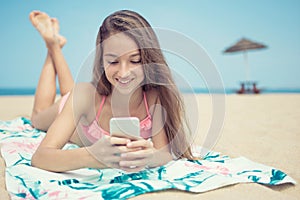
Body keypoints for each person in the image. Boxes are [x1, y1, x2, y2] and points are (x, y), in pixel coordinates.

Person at [29, 10, 195, 173]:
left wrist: (149, 157)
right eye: (113, 61)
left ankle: (55, 46)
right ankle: (52, 46)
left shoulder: (154, 97)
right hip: (73, 105)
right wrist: (90, 156)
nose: (123, 73)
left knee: (71, 91)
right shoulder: (85, 95)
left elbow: (163, 154)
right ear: (102, 61)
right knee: (38, 116)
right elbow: (40, 158)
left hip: (81, 106)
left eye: (135, 60)